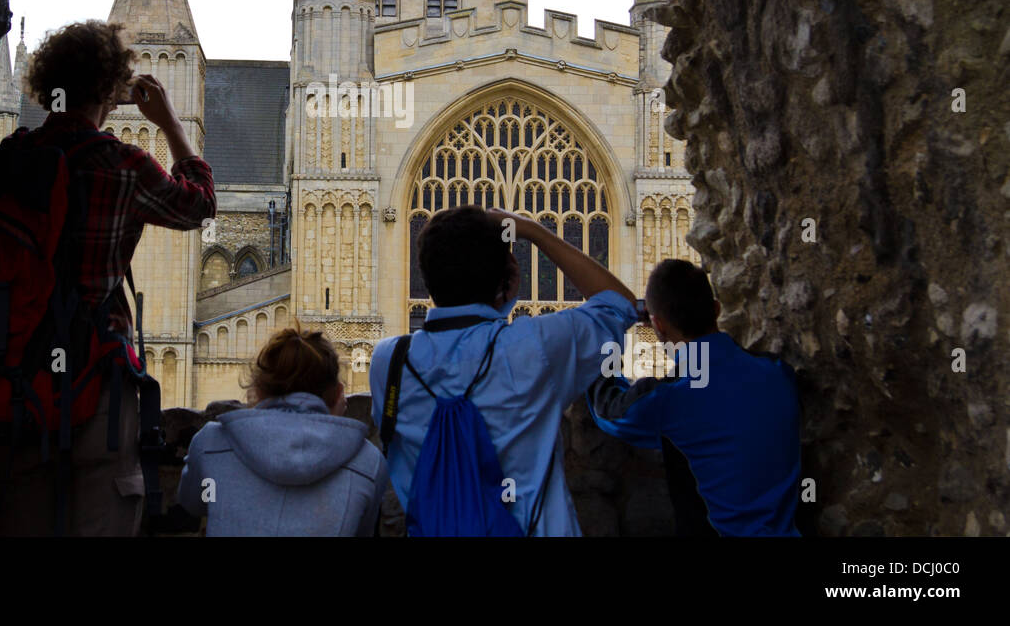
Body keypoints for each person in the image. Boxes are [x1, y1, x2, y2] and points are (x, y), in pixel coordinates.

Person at [0, 19, 217, 536]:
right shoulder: (121, 164)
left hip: (13, 377)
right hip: (97, 375)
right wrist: (172, 126)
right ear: (111, 89)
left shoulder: (11, 159)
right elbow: (199, 204)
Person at [368, 204, 640, 536]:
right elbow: (622, 304)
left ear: (427, 280)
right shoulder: (535, 347)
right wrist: (533, 231)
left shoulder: (387, 362)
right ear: (511, 279)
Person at [587, 258, 802, 536]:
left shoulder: (670, 397)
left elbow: (607, 407)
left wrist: (609, 333)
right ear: (716, 309)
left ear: (657, 326)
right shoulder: (778, 373)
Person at [177, 327, 388, 536]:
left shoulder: (210, 446)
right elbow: (362, 528)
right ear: (338, 393)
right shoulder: (369, 463)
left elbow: (194, 502)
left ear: (257, 389)